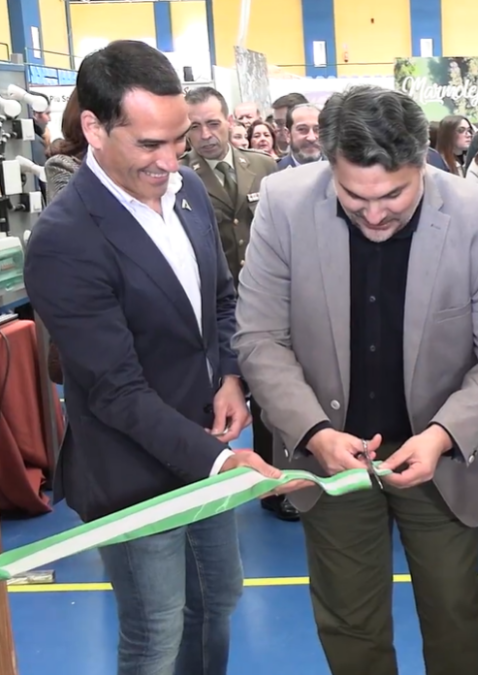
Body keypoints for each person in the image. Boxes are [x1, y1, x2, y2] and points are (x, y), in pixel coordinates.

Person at [232, 85, 478, 675]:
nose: (374, 213)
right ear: (327, 166)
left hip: (441, 455)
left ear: (423, 161)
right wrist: (314, 431)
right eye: (353, 196)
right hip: (330, 450)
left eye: (394, 194)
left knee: (456, 613)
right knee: (349, 621)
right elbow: (259, 338)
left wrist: (445, 433)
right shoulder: (281, 202)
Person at [22, 40, 282, 675]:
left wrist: (228, 376)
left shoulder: (188, 191)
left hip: (201, 447)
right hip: (132, 471)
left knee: (217, 598)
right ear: (93, 128)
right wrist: (220, 460)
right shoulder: (65, 241)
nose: (170, 160)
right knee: (156, 633)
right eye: (148, 145)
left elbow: (221, 298)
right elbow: (114, 390)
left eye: (179, 139)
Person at [180, 86, 295, 521]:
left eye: (213, 122)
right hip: (216, 305)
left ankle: (274, 481)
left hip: (270, 299)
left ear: (229, 120)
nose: (206, 134)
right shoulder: (180, 176)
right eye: (194, 126)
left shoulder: (266, 167)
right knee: (218, 395)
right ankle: (214, 476)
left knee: (269, 392)